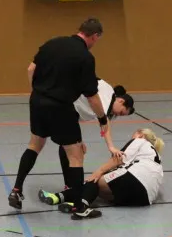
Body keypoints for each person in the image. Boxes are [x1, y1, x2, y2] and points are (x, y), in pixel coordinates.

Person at [8, 17, 110, 220]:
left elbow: (30, 69)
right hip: (60, 107)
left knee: (35, 145)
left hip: (37, 101)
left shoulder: (52, 43)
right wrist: (102, 119)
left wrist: (39, 91)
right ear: (94, 36)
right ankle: (79, 207)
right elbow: (92, 95)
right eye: (97, 39)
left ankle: (16, 189)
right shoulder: (85, 57)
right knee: (76, 155)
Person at [38, 128, 164, 217]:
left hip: (136, 179)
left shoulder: (140, 141)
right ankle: (66, 199)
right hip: (145, 198)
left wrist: (98, 172)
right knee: (97, 188)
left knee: (96, 179)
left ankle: (77, 204)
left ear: (140, 134)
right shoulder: (155, 156)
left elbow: (119, 158)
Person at [57, 81, 135, 190]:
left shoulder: (104, 99)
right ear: (121, 101)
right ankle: (74, 188)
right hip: (62, 104)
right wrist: (111, 147)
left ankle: (70, 186)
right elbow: (104, 122)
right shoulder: (108, 96)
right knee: (74, 150)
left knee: (71, 146)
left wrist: (79, 139)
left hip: (68, 111)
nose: (117, 115)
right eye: (121, 112)